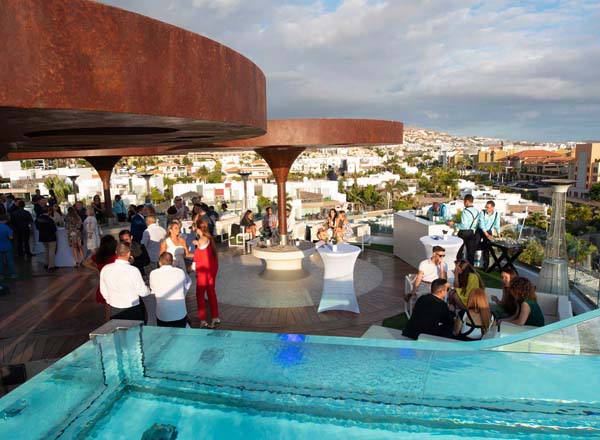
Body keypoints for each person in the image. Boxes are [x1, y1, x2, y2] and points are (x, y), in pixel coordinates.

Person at [100, 242, 150, 322]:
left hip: (114, 308)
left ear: (116, 252)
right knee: (135, 333)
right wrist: (148, 289)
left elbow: (103, 291)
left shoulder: (105, 269)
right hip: (132, 309)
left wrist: (111, 300)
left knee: (118, 333)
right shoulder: (133, 270)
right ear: (129, 253)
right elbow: (143, 292)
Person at [150, 252, 192, 327]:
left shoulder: (153, 273)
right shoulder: (180, 272)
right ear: (172, 262)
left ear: (159, 262)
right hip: (180, 314)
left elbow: (153, 289)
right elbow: (188, 282)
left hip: (163, 315)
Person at [83, 235, 118, 319]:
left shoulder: (98, 256)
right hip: (114, 279)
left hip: (104, 280)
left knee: (107, 301)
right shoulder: (115, 256)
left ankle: (107, 318)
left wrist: (96, 269)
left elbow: (85, 263)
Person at [194, 219, 220, 328]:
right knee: (211, 294)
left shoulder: (201, 241)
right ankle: (215, 316)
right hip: (211, 272)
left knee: (200, 296)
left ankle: (203, 319)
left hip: (203, 273)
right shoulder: (210, 239)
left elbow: (197, 258)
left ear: (198, 228)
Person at [447, 194, 480, 265]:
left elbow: (463, 225)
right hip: (471, 233)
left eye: (464, 201)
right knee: (470, 253)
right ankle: (471, 270)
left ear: (467, 201)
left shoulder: (466, 211)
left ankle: (458, 267)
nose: (464, 203)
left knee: (459, 251)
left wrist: (454, 224)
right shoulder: (477, 211)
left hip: (463, 233)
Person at [477, 200, 501, 270]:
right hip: (480, 230)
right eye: (486, 207)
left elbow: (497, 225)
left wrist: (499, 236)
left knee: (487, 248)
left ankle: (486, 266)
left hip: (489, 230)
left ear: (492, 208)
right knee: (475, 245)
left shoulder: (496, 214)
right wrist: (487, 235)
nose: (486, 208)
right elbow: (482, 225)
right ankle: (471, 264)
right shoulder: (482, 212)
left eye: (487, 207)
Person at [35, 206, 57, 271]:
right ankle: (51, 265)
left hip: (43, 236)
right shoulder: (50, 219)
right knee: (51, 251)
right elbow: (54, 229)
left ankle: (46, 263)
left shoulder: (38, 219)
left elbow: (37, 228)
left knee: (46, 250)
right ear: (48, 211)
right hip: (51, 237)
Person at [0, 214, 17, 279]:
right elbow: (10, 237)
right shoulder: (7, 227)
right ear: (4, 220)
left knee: (0, 261)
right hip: (7, 245)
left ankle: (1, 275)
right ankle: (13, 274)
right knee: (10, 260)